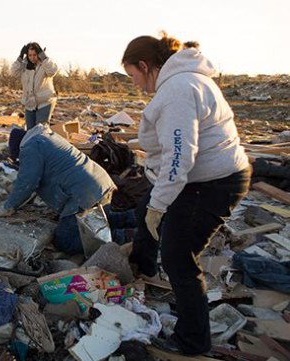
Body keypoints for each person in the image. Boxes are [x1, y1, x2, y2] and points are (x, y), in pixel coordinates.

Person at [121, 33, 251, 355]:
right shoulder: (186, 80)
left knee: (179, 258)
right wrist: (152, 204)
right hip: (205, 178)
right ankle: (143, 268)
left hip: (210, 184)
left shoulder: (177, 90)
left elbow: (180, 158)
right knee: (143, 212)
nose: (135, 84)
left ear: (144, 65)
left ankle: (192, 340)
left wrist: (159, 205)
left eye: (133, 76)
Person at [0, 124, 118, 254]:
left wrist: (9, 207)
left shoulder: (30, 147)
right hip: (99, 184)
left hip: (83, 193)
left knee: (65, 240)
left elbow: (28, 181)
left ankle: (122, 238)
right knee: (102, 218)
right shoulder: (45, 137)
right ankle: (132, 219)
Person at [11, 42, 59, 130]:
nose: (32, 58)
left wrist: (44, 57)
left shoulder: (44, 64)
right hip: (29, 104)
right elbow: (13, 73)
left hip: (44, 102)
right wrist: (20, 57)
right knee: (30, 132)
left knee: (40, 131)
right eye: (30, 55)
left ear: (39, 54)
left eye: (35, 55)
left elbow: (52, 71)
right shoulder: (24, 65)